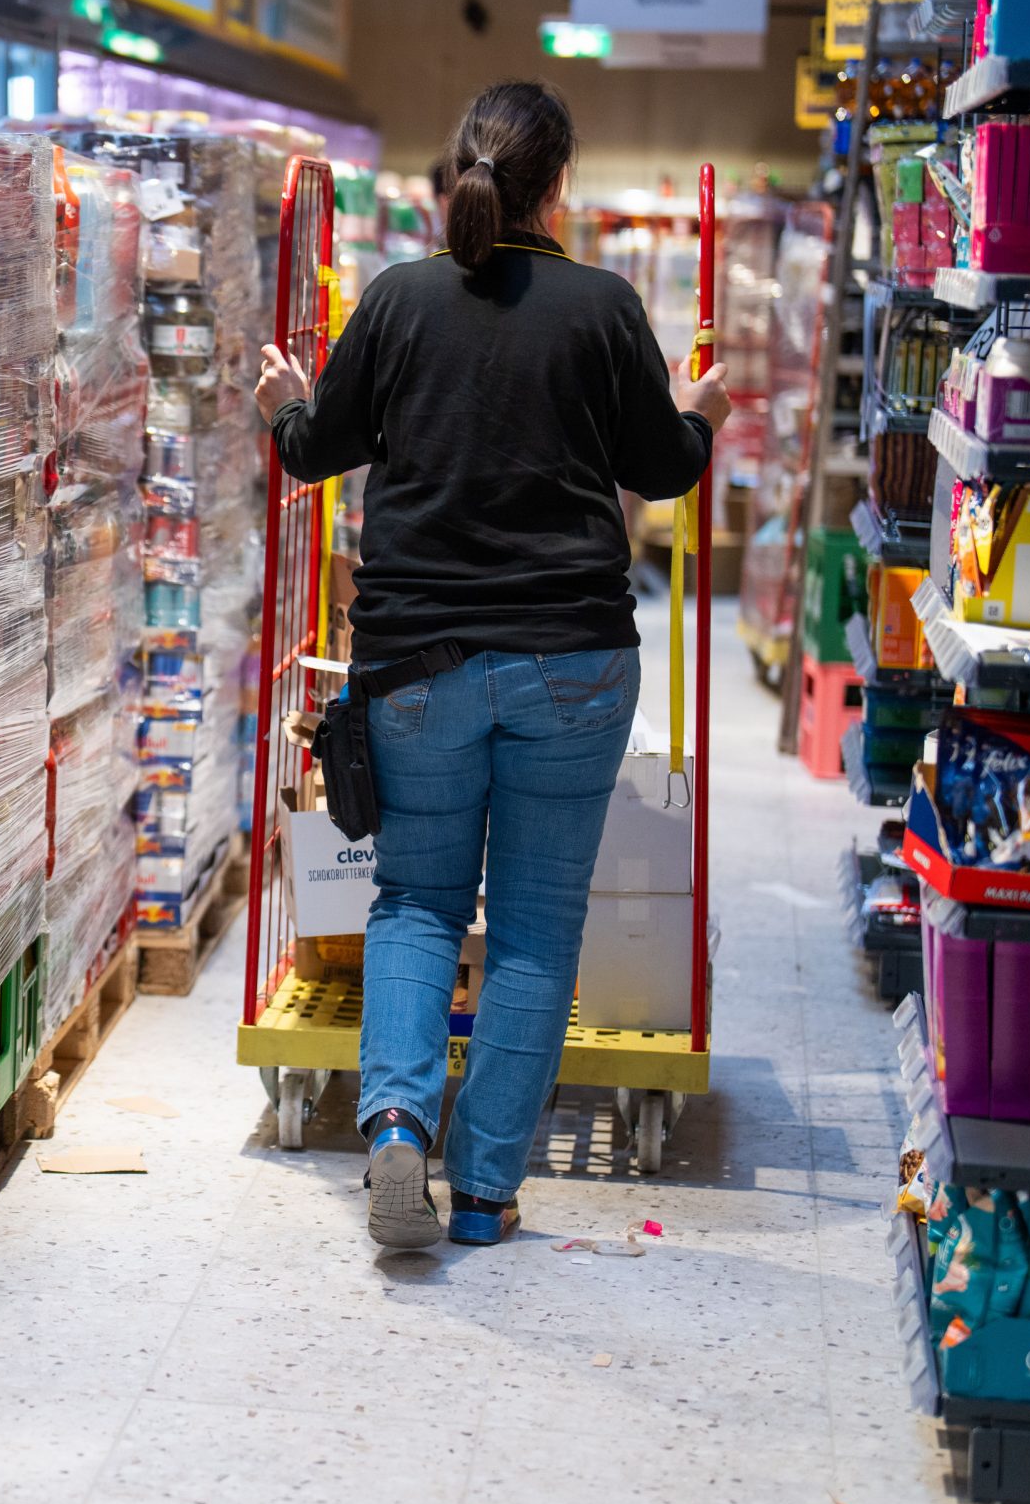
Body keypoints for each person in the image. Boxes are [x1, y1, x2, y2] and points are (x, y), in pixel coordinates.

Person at [253, 81, 730, 1250]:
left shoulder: (398, 300)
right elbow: (663, 469)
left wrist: (281, 406)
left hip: (416, 660)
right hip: (571, 660)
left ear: (457, 174)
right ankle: (483, 1194)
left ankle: (398, 1129)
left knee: (414, 898)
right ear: (557, 184)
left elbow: (318, 451)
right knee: (531, 924)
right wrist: (700, 411)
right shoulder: (604, 308)